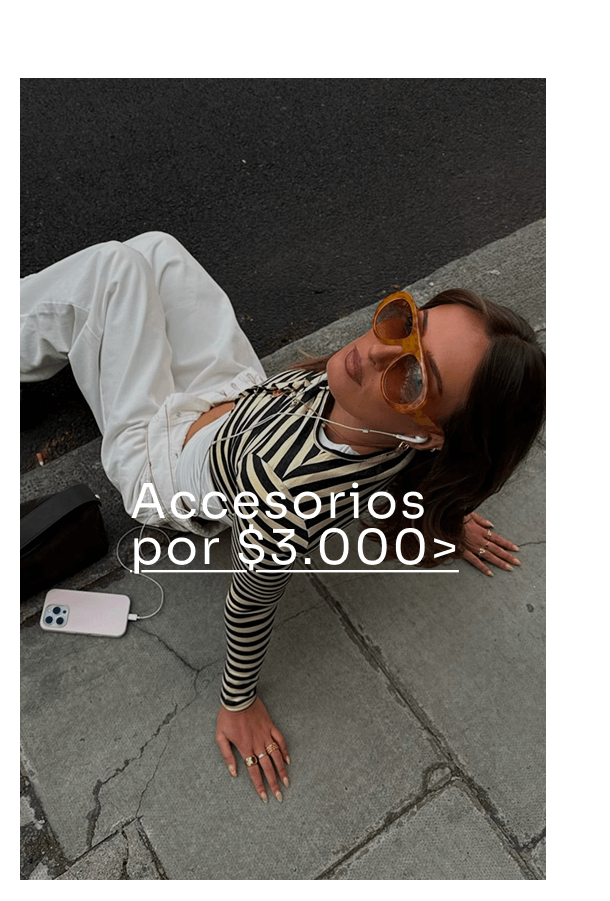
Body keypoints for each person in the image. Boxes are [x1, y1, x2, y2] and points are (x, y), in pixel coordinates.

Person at [20, 231, 546, 805]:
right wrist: (445, 519)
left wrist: (238, 702)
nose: (377, 352)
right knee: (155, 250)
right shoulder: (391, 426)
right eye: (407, 324)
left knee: (114, 269)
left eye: (415, 378)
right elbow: (420, 472)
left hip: (157, 461)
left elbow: (251, 601)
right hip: (239, 401)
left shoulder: (285, 496)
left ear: (430, 434)